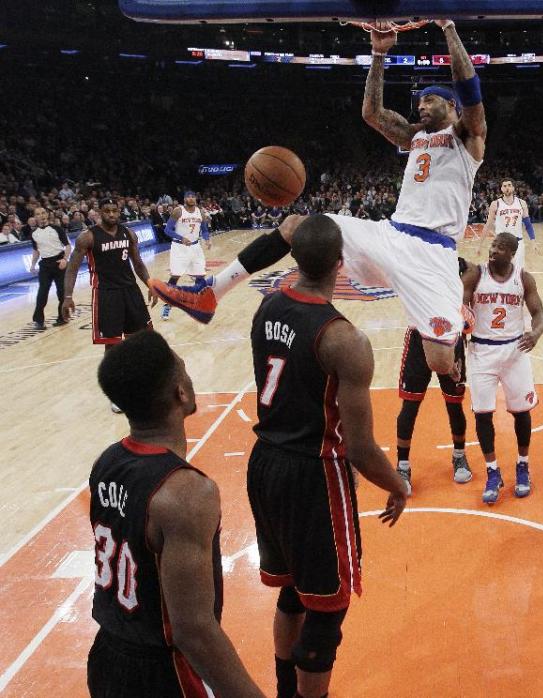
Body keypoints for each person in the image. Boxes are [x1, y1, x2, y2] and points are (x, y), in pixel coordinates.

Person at [150, 19, 486, 378]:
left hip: (433, 254)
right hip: (390, 235)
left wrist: (448, 26)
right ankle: (211, 294)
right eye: (419, 102)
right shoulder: (414, 136)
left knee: (441, 363)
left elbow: (470, 89)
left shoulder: (468, 137)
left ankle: (456, 315)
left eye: (429, 100)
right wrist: (377, 53)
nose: (420, 107)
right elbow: (372, 114)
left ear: (451, 106)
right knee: (296, 225)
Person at [247, 214, 408, 698]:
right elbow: (359, 447)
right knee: (328, 607)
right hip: (313, 473)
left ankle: (285, 691)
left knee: (293, 592)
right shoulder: (344, 339)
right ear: (341, 264)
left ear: (295, 258)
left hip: (265, 461)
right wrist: (397, 484)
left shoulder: (267, 308)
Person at [88, 331, 264, 698]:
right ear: (180, 393)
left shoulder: (107, 462)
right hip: (162, 673)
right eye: (183, 370)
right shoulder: (186, 493)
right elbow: (194, 630)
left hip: (107, 656)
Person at [461, 233, 543, 505]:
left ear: (511, 253)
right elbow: (460, 308)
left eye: (500, 247)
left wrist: (536, 333)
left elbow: (539, 314)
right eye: (493, 245)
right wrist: (458, 338)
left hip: (514, 350)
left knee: (521, 413)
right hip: (481, 351)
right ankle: (492, 471)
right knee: (483, 415)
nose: (493, 250)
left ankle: (522, 465)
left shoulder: (524, 278)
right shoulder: (475, 274)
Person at [62, 198, 157, 411]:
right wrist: (67, 296)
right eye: (107, 211)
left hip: (131, 290)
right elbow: (72, 268)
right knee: (112, 345)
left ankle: (140, 385)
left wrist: (150, 284)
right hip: (106, 294)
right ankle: (116, 393)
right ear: (99, 212)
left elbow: (138, 263)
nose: (112, 214)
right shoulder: (88, 237)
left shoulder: (129, 234)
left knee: (139, 340)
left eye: (115, 210)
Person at [396, 257, 474, 495]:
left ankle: (459, 456)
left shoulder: (453, 267)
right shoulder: (417, 270)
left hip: (451, 338)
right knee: (410, 406)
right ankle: (402, 466)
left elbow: (471, 268)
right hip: (419, 340)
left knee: (454, 405)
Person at [160, 191, 212, 320]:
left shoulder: (200, 212)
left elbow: (204, 230)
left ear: (196, 198)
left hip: (195, 247)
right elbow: (167, 230)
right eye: (188, 196)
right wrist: (181, 238)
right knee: (175, 276)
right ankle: (167, 305)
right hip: (179, 247)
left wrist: (207, 239)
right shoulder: (178, 211)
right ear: (184, 199)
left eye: (193, 196)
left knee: (200, 276)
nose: (191, 198)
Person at [476, 179, 536, 268]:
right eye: (504, 186)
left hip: (518, 243)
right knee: (500, 274)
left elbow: (528, 224)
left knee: (518, 274)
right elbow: (488, 225)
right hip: (501, 244)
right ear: (501, 189)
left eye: (509, 185)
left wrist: (533, 242)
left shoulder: (521, 203)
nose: (507, 188)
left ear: (513, 188)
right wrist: (479, 245)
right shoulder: (495, 204)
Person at [29, 207, 71, 330]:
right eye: (38, 214)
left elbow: (67, 246)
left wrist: (65, 259)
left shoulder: (57, 229)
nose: (41, 216)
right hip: (45, 265)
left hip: (59, 262)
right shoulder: (34, 234)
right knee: (42, 293)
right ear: (35, 217)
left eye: (43, 213)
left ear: (47, 215)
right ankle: (38, 320)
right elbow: (36, 250)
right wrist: (32, 264)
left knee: (62, 292)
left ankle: (62, 317)